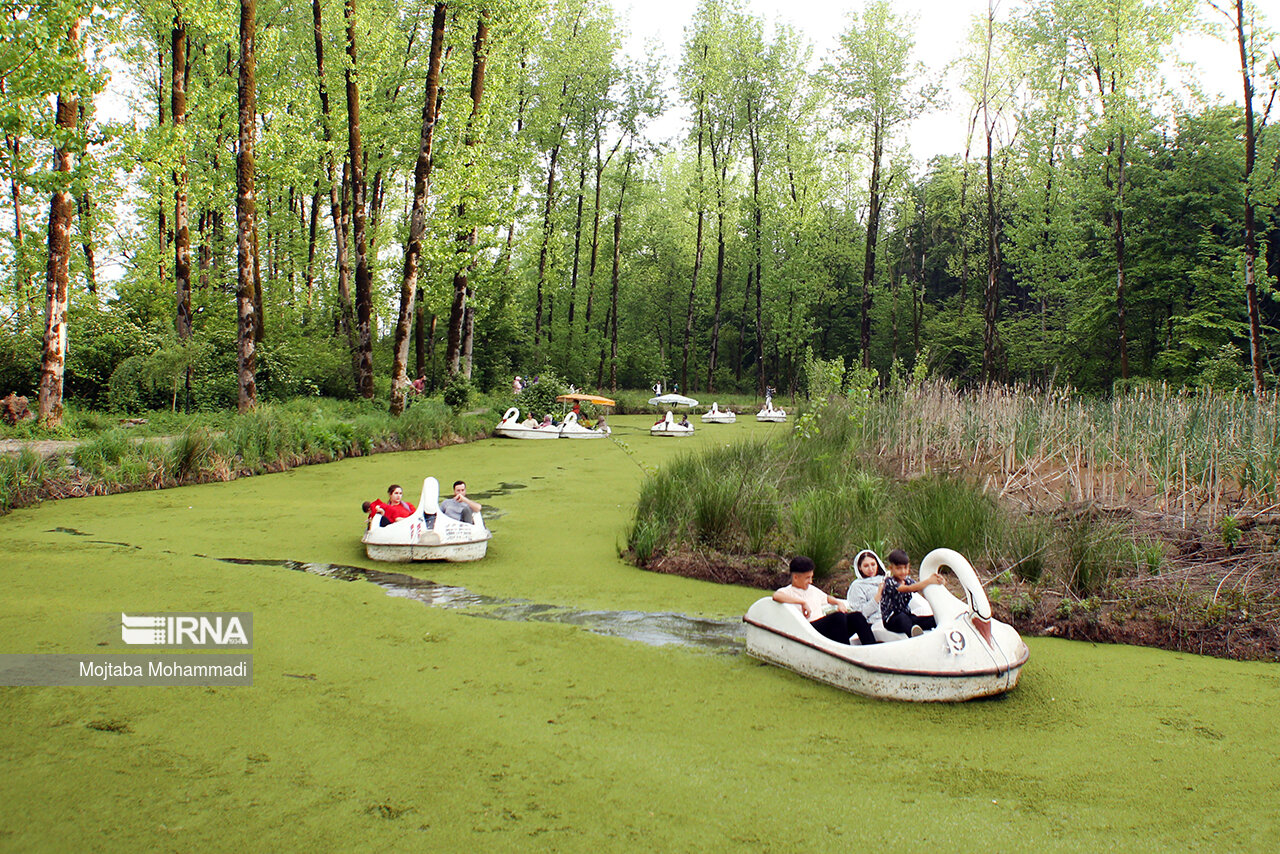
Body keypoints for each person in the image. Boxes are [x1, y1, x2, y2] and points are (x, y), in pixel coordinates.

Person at [772, 556, 878, 646]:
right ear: (795, 577)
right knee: (837, 617)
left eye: (811, 577)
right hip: (808, 630)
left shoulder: (812, 589)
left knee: (857, 617)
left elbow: (827, 598)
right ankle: (844, 649)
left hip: (824, 629)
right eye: (807, 578)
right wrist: (802, 602)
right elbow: (776, 596)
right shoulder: (788, 591)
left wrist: (839, 603)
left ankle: (871, 647)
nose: (810, 581)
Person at [880, 549, 941, 636]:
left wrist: (938, 581)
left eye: (905, 568)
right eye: (898, 568)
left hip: (907, 616)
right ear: (891, 568)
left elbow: (919, 587)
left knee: (929, 619)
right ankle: (914, 634)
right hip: (891, 619)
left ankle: (938, 627)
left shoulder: (907, 580)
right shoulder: (889, 582)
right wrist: (929, 581)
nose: (903, 572)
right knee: (902, 618)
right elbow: (908, 588)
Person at [845, 549, 887, 627]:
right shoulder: (857, 586)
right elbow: (860, 614)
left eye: (873, 564)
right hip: (874, 623)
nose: (870, 569)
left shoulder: (885, 580)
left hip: (892, 617)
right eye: (866, 566)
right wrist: (877, 597)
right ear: (859, 567)